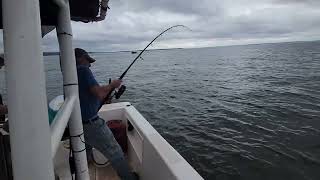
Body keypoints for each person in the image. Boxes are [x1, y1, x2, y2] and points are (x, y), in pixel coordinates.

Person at [75, 48, 138, 180]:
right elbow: (99, 92)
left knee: (82, 152)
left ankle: (82, 172)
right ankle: (129, 178)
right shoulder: (83, 70)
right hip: (90, 123)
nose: (90, 65)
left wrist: (104, 99)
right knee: (115, 151)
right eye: (88, 61)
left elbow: (87, 96)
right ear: (81, 58)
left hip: (77, 123)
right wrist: (112, 85)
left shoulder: (71, 73)